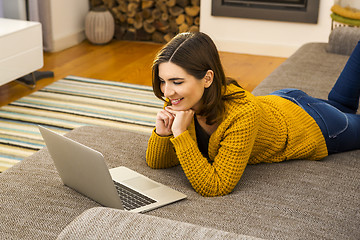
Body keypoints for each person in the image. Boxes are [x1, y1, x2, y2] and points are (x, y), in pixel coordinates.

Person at [145, 32, 360, 197]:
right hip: (280, 101)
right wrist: (163, 134)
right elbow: (157, 162)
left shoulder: (242, 113)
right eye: (163, 81)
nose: (166, 91)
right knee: (340, 104)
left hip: (313, 124)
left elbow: (216, 186)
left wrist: (180, 135)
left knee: (341, 111)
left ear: (208, 78)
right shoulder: (180, 97)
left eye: (177, 81)